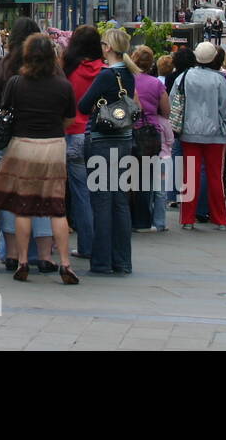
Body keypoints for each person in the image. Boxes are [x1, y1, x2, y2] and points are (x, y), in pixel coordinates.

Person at [0, 34, 79, 284]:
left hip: (22, 145)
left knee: (22, 207)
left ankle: (22, 260)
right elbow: (69, 119)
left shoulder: (15, 83)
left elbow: (4, 114)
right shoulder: (63, 86)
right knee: (57, 208)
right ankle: (66, 263)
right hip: (53, 146)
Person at [0, 18, 55, 270]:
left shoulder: (1, 67)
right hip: (44, 141)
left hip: (9, 142)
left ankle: (13, 253)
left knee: (10, 197)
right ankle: (45, 255)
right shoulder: (51, 68)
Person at [75, 28, 142, 274]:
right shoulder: (130, 74)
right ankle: (122, 260)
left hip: (102, 141)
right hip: (125, 140)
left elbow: (83, 105)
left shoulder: (106, 75)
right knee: (120, 202)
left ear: (108, 48)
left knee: (101, 201)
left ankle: (102, 261)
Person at [176, 42, 226, 230]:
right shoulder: (219, 80)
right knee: (215, 177)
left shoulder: (183, 77)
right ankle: (220, 220)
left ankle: (187, 219)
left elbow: (174, 103)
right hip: (215, 135)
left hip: (189, 132)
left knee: (190, 177)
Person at [61, 25, 104, 260]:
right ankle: (95, 243)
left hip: (71, 133)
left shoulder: (68, 69)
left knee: (71, 192)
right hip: (97, 135)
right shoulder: (104, 70)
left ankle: (75, 242)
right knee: (94, 193)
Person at [128, 45, 172, 233]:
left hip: (130, 131)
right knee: (146, 179)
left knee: (128, 178)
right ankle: (143, 220)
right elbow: (167, 111)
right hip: (150, 135)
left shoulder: (128, 81)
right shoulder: (156, 84)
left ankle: (127, 217)